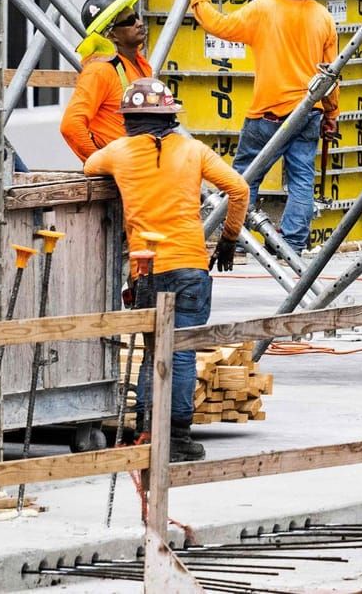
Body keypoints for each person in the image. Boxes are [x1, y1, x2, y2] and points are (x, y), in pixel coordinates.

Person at [82, 77, 247, 462]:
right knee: (182, 352)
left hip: (146, 269)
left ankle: (147, 432)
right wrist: (228, 239)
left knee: (153, 349)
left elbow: (90, 166)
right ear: (170, 116)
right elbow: (238, 189)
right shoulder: (193, 150)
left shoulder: (118, 151)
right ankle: (177, 438)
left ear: (128, 120)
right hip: (190, 264)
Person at [176, 0, 340, 254]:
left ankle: (237, 237)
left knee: (243, 179)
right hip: (307, 115)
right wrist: (331, 115)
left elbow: (219, 25)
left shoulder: (263, 9)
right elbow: (331, 77)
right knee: (302, 180)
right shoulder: (323, 18)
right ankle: (291, 244)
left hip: (268, 113)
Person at [60, 0, 151, 163]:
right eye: (129, 21)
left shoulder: (140, 65)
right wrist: (101, 164)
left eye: (136, 16)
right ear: (111, 34)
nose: (139, 23)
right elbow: (70, 126)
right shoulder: (100, 70)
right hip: (123, 175)